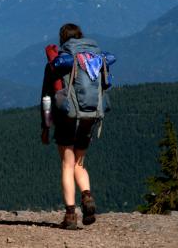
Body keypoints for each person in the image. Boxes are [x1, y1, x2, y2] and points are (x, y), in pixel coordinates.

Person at [40, 23, 99, 230]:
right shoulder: (92, 58)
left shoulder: (58, 62)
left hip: (66, 118)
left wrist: (46, 126)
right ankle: (87, 195)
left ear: (62, 39)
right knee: (79, 164)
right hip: (89, 116)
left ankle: (71, 215)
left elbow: (47, 98)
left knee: (67, 163)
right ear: (81, 37)